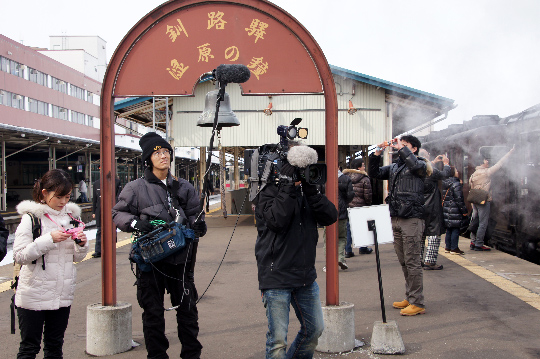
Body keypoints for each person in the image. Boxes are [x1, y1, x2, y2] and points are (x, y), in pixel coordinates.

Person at [112, 132, 207, 359]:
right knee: (153, 314)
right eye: (157, 153)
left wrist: (198, 226)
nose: (163, 156)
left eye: (166, 152)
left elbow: (194, 214)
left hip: (181, 261)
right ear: (148, 159)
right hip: (151, 264)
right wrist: (136, 223)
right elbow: (117, 213)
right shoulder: (135, 188)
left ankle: (191, 355)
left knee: (188, 312)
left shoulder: (184, 187)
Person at [254, 149, 338, 358]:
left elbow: (330, 216)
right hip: (276, 277)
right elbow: (276, 221)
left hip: (305, 277)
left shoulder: (308, 194)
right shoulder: (266, 192)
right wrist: (287, 187)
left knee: (314, 330)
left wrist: (311, 191)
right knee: (277, 341)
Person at [13, 169, 88, 358]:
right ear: (44, 194)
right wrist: (49, 240)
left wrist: (82, 244)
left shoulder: (71, 218)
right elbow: (20, 255)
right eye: (59, 197)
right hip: (33, 295)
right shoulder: (31, 219)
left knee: (55, 346)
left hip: (62, 293)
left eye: (68, 196)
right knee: (29, 348)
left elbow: (77, 258)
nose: (63, 202)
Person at [368, 135, 428, 316]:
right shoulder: (395, 167)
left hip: (412, 218)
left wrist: (401, 147)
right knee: (404, 261)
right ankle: (410, 297)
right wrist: (376, 154)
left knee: (413, 261)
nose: (399, 147)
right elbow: (375, 173)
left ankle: (418, 302)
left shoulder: (420, 164)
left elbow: (416, 166)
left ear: (414, 149)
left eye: (405, 145)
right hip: (396, 217)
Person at [469, 146, 514, 251]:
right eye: (486, 160)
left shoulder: (474, 174)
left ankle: (473, 241)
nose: (487, 162)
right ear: (483, 163)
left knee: (474, 220)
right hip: (482, 199)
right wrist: (509, 153)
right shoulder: (486, 172)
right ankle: (479, 243)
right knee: (483, 222)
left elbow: (471, 187)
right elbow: (499, 164)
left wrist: (472, 204)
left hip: (474, 199)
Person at [417, 149, 452, 270]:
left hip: (419, 206)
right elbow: (444, 174)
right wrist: (446, 164)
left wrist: (432, 162)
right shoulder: (430, 171)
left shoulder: (415, 169)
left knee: (420, 234)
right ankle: (430, 261)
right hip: (432, 205)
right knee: (434, 233)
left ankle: (418, 260)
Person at [343, 157, 373, 257]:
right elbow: (367, 195)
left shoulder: (345, 177)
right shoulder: (364, 179)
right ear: (359, 167)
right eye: (363, 165)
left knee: (348, 228)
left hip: (348, 206)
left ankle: (348, 250)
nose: (364, 167)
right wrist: (368, 204)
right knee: (362, 228)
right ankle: (363, 248)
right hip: (361, 206)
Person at [91, 176, 122, 258]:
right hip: (100, 210)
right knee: (100, 230)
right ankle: (98, 250)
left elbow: (118, 197)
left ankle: (111, 247)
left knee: (112, 228)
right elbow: (94, 199)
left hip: (112, 210)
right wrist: (93, 211)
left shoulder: (117, 182)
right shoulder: (96, 183)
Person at [442, 168, 468, 254]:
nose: (458, 172)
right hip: (454, 210)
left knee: (449, 229)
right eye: (456, 171)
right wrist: (464, 211)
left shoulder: (445, 183)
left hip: (447, 209)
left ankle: (448, 247)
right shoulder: (456, 184)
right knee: (455, 229)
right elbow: (459, 199)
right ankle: (454, 248)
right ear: (453, 173)